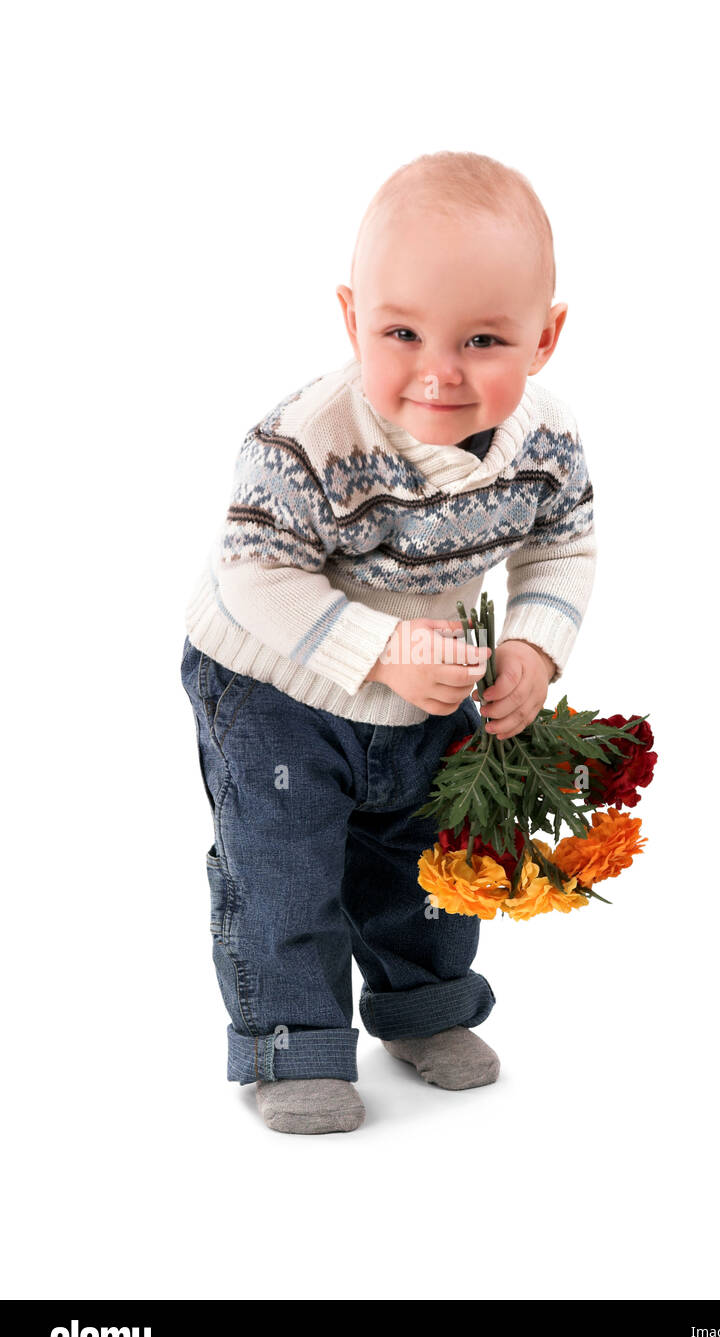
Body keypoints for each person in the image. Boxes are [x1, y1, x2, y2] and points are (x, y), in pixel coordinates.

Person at [179, 150, 597, 1134]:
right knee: (284, 863)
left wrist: (532, 651)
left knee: (431, 852)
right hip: (272, 680)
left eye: (483, 338)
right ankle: (294, 1041)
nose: (437, 372)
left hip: (424, 682)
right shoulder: (305, 442)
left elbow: (563, 545)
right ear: (348, 316)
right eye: (399, 331)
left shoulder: (545, 443)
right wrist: (375, 650)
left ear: (544, 338)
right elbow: (256, 574)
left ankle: (424, 1009)